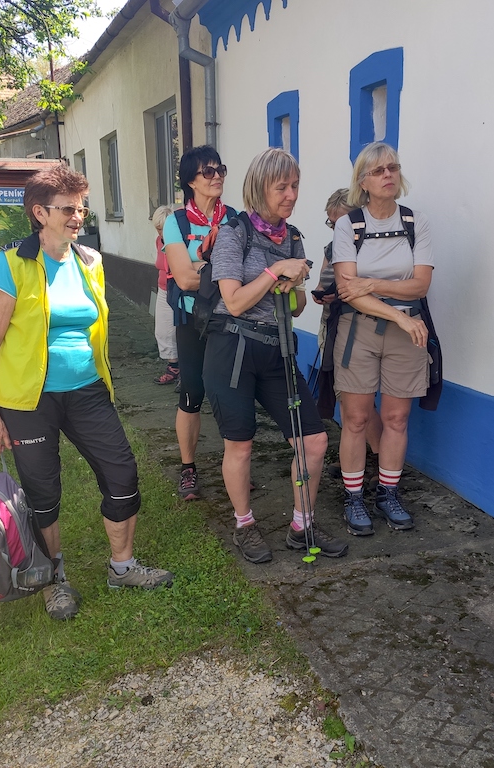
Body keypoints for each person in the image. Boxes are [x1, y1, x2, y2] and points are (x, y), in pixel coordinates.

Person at [0, 164, 173, 621]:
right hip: (29, 401)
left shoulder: (90, 261)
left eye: (81, 207)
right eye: (68, 208)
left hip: (86, 390)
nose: (78, 216)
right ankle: (54, 579)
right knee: (43, 493)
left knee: (122, 475)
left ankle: (122, 567)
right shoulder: (10, 265)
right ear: (39, 213)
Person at [203, 147, 349, 564]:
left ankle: (302, 524)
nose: (290, 194)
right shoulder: (234, 232)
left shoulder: (295, 237)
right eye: (281, 186)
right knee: (241, 447)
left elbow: (298, 307)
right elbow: (232, 301)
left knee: (315, 440)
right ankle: (244, 524)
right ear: (259, 187)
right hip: (233, 349)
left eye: (295, 185)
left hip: (278, 349)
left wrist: (295, 284)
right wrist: (274, 273)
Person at [330, 142, 434, 537]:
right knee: (356, 418)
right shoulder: (349, 225)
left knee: (396, 417)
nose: (387, 175)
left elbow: (421, 284)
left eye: (392, 167)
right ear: (363, 181)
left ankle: (388, 493)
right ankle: (354, 497)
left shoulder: (415, 222)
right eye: (377, 171)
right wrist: (392, 305)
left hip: (408, 330)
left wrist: (371, 282)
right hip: (360, 330)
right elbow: (346, 290)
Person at [163, 146, 238, 501]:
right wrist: (222, 274)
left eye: (220, 169)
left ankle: (235, 465)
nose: (217, 176)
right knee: (192, 392)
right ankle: (188, 468)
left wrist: (203, 270)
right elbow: (182, 277)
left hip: (231, 318)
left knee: (231, 393)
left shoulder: (234, 219)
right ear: (191, 181)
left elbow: (236, 272)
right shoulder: (176, 222)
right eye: (208, 172)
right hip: (193, 318)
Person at [313, 188, 381, 480]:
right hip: (332, 325)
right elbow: (324, 280)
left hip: (355, 329)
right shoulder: (332, 248)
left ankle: (379, 458)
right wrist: (321, 295)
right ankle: (353, 458)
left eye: (340, 222)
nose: (336, 229)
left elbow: (369, 288)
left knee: (358, 402)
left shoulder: (371, 249)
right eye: (331, 224)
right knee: (347, 401)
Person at [151, 204, 180, 387]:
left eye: (162, 229)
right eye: (158, 229)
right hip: (163, 289)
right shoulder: (158, 241)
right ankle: (173, 366)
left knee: (181, 332)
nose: (160, 233)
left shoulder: (178, 241)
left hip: (179, 290)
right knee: (163, 331)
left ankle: (185, 371)